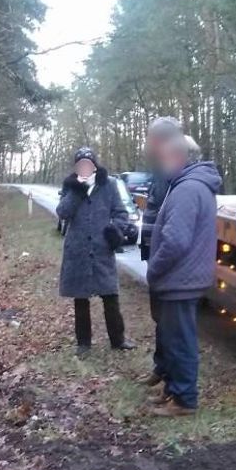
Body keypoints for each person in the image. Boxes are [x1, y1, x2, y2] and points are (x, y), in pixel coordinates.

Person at [146, 134, 222, 417]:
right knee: (174, 337)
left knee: (180, 341)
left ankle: (184, 399)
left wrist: (154, 268)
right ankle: (173, 391)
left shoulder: (187, 189)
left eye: (165, 157)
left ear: (178, 157)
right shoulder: (191, 185)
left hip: (180, 279)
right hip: (183, 278)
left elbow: (176, 240)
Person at [56, 147, 137, 357]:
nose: (84, 167)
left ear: (94, 165)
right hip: (77, 250)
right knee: (80, 299)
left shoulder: (108, 184)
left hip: (102, 249)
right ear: (76, 167)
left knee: (110, 295)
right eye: (80, 164)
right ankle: (83, 344)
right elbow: (63, 212)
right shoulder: (70, 186)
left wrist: (115, 230)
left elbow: (121, 213)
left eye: (88, 163)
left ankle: (118, 340)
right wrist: (78, 190)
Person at [136, 116, 183, 388]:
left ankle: (173, 380)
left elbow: (173, 222)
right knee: (159, 317)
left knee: (170, 320)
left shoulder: (176, 172)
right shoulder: (159, 171)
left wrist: (161, 256)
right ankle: (161, 368)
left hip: (166, 256)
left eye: (153, 139)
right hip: (153, 250)